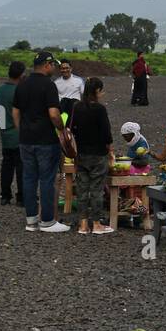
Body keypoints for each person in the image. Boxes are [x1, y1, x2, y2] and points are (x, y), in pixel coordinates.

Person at [12, 50, 71, 232]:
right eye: (53, 65)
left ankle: (31, 221)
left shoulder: (22, 84)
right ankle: (47, 221)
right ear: (47, 65)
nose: (54, 68)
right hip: (46, 140)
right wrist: (62, 129)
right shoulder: (49, 85)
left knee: (29, 178)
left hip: (25, 140)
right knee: (46, 179)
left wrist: (21, 130)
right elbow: (54, 114)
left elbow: (15, 111)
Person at [70, 77, 115, 235]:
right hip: (98, 154)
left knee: (82, 189)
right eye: (101, 90)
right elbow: (106, 134)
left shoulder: (77, 107)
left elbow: (71, 130)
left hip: (80, 154)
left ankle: (83, 224)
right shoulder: (100, 109)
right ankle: (96, 224)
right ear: (97, 91)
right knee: (96, 190)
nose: (102, 93)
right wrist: (111, 153)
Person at [0, 61, 25, 206]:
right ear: (21, 74)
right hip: (18, 135)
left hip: (5, 135)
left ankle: (5, 196)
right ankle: (21, 197)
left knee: (6, 166)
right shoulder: (20, 91)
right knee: (21, 167)